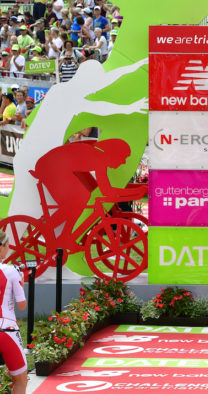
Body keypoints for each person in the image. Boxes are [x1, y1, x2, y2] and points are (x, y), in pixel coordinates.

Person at [32, 139, 145, 245]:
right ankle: (47, 229)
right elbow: (106, 191)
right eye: (123, 157)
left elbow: (102, 188)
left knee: (81, 198)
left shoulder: (98, 156)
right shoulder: (98, 159)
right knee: (79, 199)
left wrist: (137, 190)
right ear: (113, 153)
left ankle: (62, 236)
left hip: (53, 165)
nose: (123, 162)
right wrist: (136, 191)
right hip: (50, 167)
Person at [1, 231, 28, 394]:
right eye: (8, 245)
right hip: (6, 331)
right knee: (20, 381)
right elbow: (22, 305)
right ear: (2, 248)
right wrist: (22, 283)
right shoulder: (11, 271)